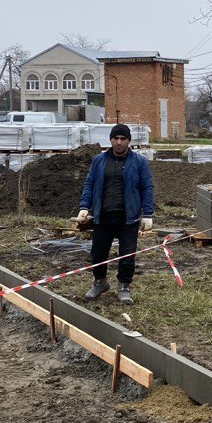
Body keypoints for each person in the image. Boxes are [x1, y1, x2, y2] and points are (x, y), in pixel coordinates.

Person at [77, 123, 154, 305]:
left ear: (129, 141)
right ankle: (100, 282)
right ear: (111, 140)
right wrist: (84, 206)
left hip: (128, 217)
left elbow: (147, 187)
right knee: (98, 253)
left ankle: (124, 286)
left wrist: (148, 214)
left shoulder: (139, 162)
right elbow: (90, 184)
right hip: (103, 216)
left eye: (123, 139)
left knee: (127, 255)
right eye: (116, 138)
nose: (119, 142)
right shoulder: (99, 161)